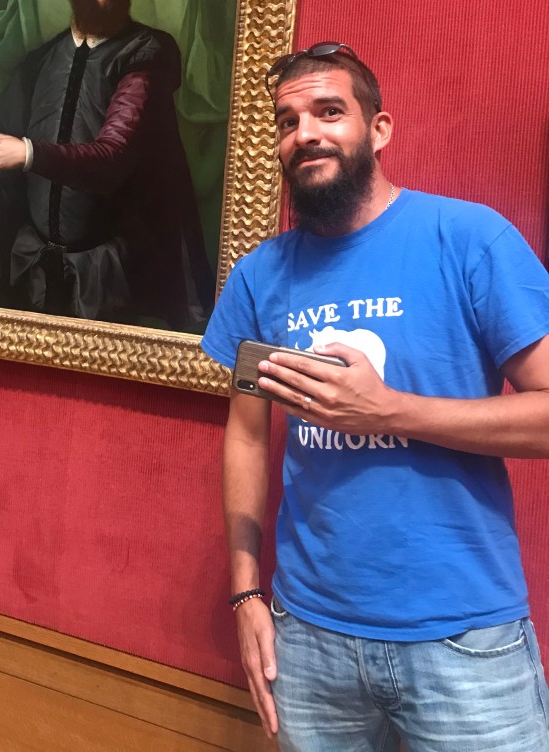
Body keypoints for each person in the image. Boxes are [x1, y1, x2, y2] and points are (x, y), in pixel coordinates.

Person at [201, 42, 549, 751]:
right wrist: (245, 591)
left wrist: (387, 410)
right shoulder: (259, 277)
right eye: (288, 121)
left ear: (379, 128)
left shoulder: (469, 239)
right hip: (307, 638)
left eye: (329, 112)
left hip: (464, 639)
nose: (306, 133)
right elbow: (246, 434)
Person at [0, 0, 214, 329]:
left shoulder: (146, 54)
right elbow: (3, 151)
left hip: (111, 277)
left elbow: (113, 156)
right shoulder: (40, 62)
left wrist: (28, 153)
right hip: (32, 269)